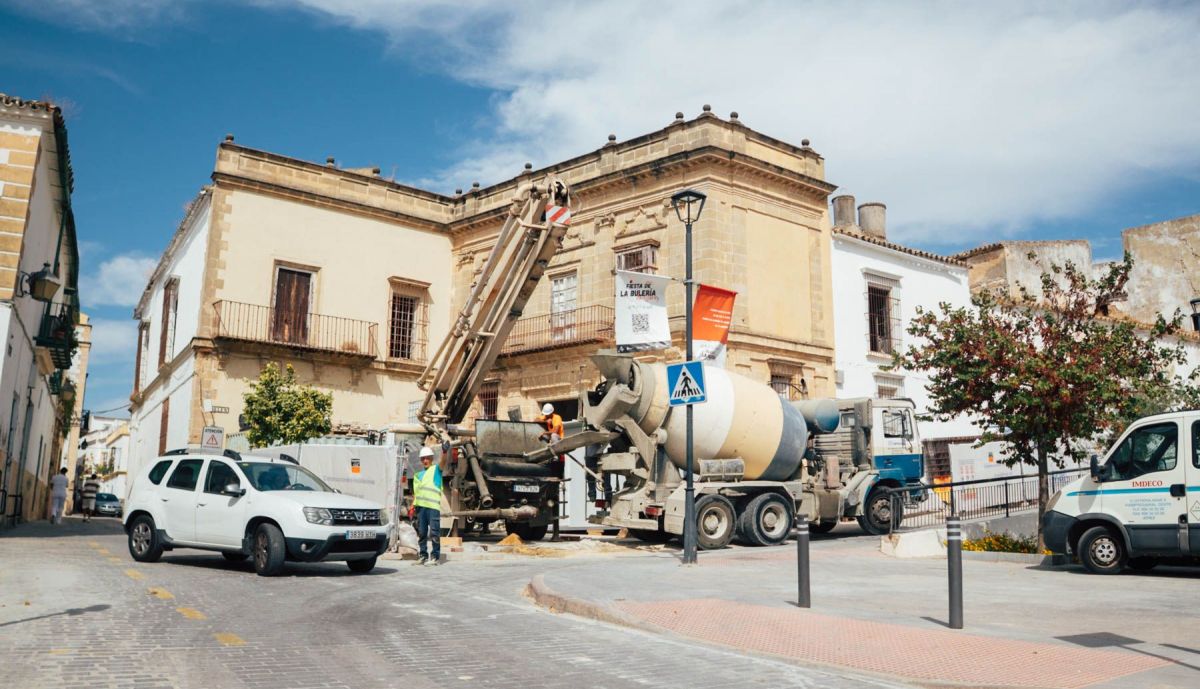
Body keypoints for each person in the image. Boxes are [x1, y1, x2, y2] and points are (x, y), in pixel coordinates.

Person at [412, 445, 444, 566]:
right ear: (421, 460)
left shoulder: (436, 470)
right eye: (423, 458)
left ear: (431, 459)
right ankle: (423, 556)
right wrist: (412, 506)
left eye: (428, 458)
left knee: (434, 532)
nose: (425, 460)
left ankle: (435, 556)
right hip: (421, 508)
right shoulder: (418, 475)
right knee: (422, 533)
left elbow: (443, 464)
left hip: (432, 507)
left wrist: (445, 453)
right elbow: (417, 492)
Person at [536, 403, 566, 477]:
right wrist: (545, 421)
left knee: (553, 435)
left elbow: (555, 431)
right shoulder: (546, 417)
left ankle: (556, 454)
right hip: (552, 441)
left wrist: (544, 433)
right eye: (546, 414)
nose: (546, 416)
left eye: (548, 414)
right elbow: (535, 420)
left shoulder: (557, 417)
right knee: (545, 437)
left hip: (559, 440)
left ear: (552, 412)